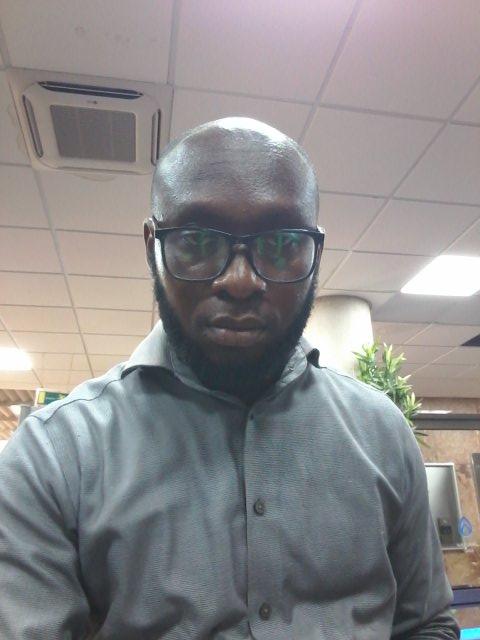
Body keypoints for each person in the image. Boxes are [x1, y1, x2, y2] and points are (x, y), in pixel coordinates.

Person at [0, 118, 459, 639]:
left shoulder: (383, 433)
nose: (240, 281)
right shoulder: (54, 458)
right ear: (152, 247)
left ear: (315, 255)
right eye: (197, 240)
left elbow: (427, 623)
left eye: (281, 243)